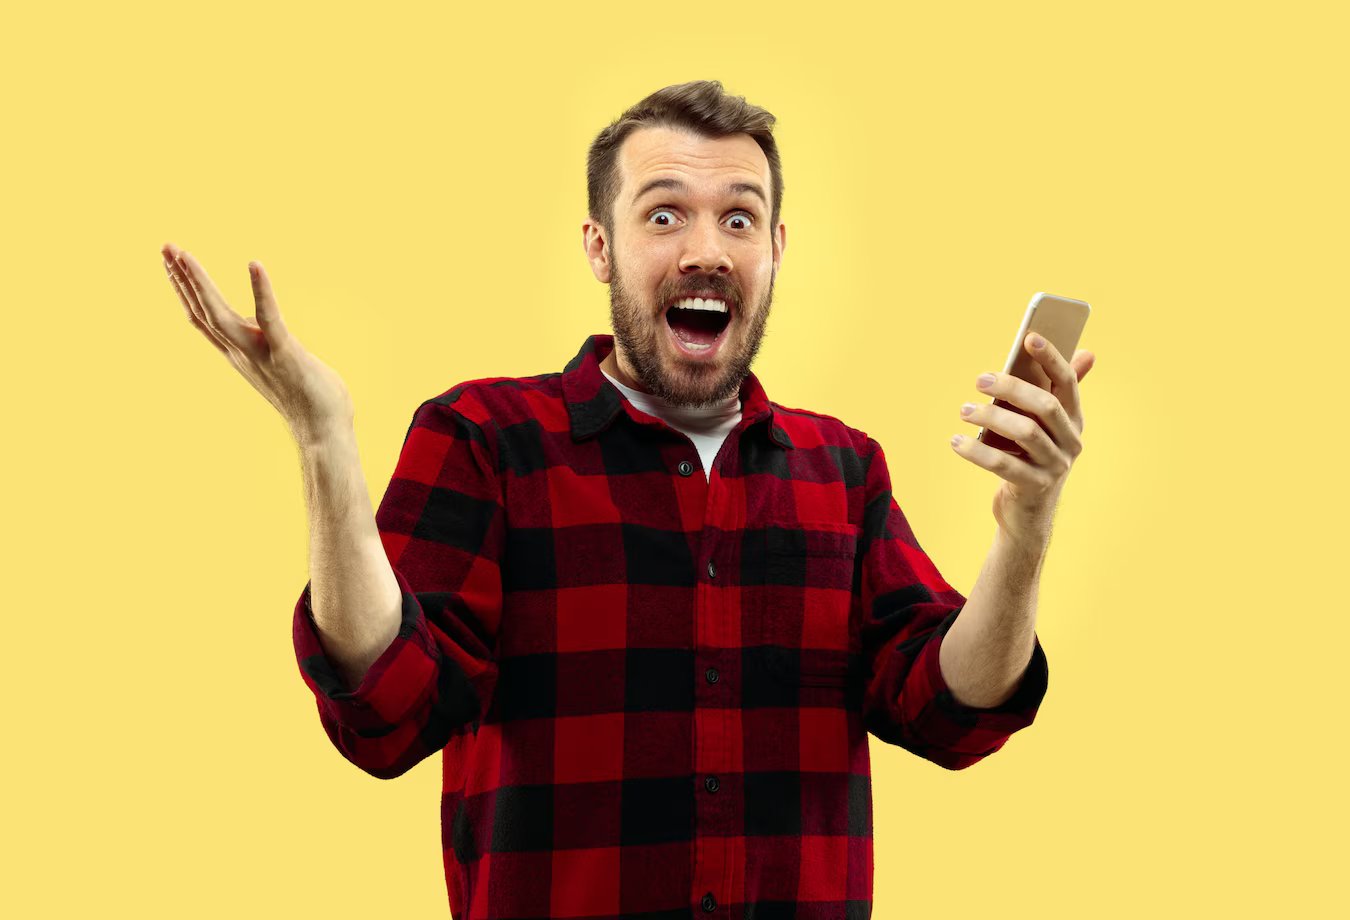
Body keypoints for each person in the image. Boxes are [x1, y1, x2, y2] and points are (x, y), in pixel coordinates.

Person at [162, 78, 1095, 920]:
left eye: (739, 219)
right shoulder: (486, 440)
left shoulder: (843, 470)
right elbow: (388, 709)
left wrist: (1029, 526)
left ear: (775, 250)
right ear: (600, 249)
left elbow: (952, 710)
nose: (706, 250)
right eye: (663, 216)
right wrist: (324, 442)